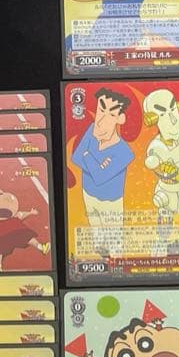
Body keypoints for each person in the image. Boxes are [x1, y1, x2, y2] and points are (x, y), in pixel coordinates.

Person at [72, 88, 134, 258]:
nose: (103, 118)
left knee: (115, 246)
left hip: (111, 203)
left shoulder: (124, 152)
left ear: (120, 118)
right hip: (88, 194)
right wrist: (98, 166)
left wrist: (88, 156)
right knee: (98, 239)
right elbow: (75, 158)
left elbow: (100, 177)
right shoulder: (92, 130)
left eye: (111, 114)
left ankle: (115, 266)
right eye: (101, 110)